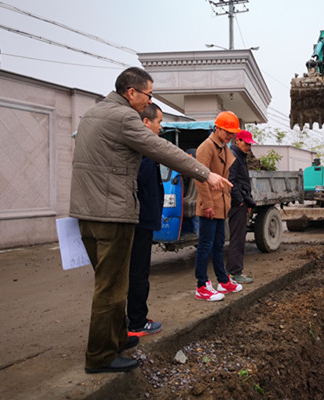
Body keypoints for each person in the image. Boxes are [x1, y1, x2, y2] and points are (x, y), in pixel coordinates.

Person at [70, 67, 231, 374]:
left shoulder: (92, 115)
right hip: (112, 214)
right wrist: (205, 173)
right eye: (148, 95)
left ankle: (118, 338)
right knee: (112, 286)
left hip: (86, 213)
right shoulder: (124, 117)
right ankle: (100, 356)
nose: (150, 101)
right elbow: (161, 149)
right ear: (131, 92)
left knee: (112, 280)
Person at [194, 111, 244, 301]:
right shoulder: (207, 147)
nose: (231, 135)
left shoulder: (223, 147)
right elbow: (200, 177)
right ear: (218, 128)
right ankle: (201, 285)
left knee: (217, 245)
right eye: (227, 131)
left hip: (221, 204)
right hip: (210, 205)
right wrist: (207, 204)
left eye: (232, 132)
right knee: (205, 245)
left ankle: (222, 281)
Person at [126, 103, 164, 338]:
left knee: (137, 272)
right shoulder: (142, 151)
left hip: (142, 219)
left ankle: (136, 317)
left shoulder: (144, 149)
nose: (161, 127)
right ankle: (137, 323)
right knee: (138, 273)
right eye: (158, 122)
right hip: (139, 221)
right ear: (145, 123)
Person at [226, 130, 257, 284]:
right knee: (237, 238)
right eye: (246, 143)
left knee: (239, 237)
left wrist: (248, 201)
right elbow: (231, 182)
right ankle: (234, 273)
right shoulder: (234, 157)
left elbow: (242, 182)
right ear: (237, 141)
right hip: (236, 204)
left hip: (242, 202)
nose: (248, 146)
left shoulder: (240, 156)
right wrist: (239, 201)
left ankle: (235, 271)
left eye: (250, 144)